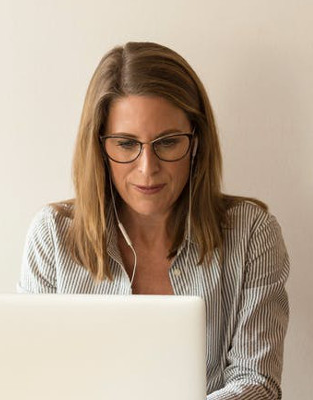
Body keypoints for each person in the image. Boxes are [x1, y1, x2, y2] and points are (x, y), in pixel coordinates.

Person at [17, 41, 290, 400]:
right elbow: (32, 377)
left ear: (196, 141)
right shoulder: (52, 236)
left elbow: (257, 383)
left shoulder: (252, 233)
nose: (148, 169)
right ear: (99, 147)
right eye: (127, 144)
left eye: (167, 142)